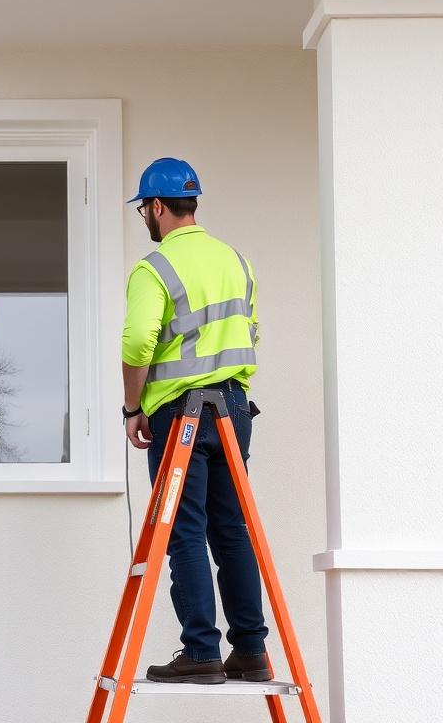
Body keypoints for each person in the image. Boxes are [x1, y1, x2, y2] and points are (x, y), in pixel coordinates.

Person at [120, 157, 271, 685]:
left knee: (183, 528)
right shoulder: (237, 261)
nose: (146, 216)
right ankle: (250, 650)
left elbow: (138, 342)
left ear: (158, 206)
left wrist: (133, 409)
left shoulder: (155, 268)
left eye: (144, 208)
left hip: (181, 415)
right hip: (233, 409)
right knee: (231, 529)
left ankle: (201, 651)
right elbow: (251, 330)